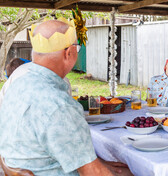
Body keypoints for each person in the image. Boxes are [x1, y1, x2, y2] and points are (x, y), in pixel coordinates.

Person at [0, 18, 131, 176]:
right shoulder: (60, 105)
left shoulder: (18, 85)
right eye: (78, 47)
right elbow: (93, 173)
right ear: (69, 53)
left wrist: (98, 162)